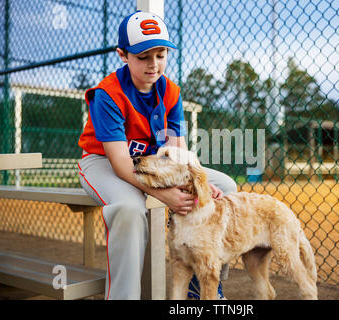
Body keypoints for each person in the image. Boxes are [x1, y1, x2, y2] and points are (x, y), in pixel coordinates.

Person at [77, 10, 236, 300]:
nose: (154, 64)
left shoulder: (170, 92)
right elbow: (122, 164)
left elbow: (177, 152)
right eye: (143, 56)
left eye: (160, 54)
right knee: (129, 208)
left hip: (155, 163)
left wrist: (196, 180)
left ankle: (203, 284)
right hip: (104, 163)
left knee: (224, 188)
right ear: (123, 55)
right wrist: (165, 195)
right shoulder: (108, 94)